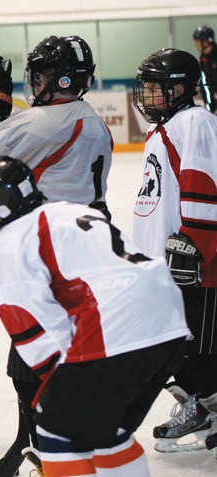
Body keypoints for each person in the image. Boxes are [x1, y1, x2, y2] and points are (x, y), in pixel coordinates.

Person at [0, 156, 190, 477]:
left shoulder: (9, 242)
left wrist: (58, 384)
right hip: (170, 323)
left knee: (57, 432)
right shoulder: (71, 209)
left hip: (116, 328)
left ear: (1, 205)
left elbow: (29, 325)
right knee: (107, 434)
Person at [0, 35, 113, 475]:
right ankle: (33, 454)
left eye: (41, 74)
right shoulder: (85, 118)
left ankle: (46, 458)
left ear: (58, 79)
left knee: (35, 359)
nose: (35, 82)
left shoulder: (47, 122)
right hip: (82, 250)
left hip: (53, 258)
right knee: (34, 360)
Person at [132, 48, 217, 455]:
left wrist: (194, 245)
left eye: (154, 88)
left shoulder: (196, 121)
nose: (146, 96)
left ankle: (210, 408)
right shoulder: (165, 127)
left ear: (179, 89)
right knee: (169, 347)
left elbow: (203, 182)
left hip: (194, 265)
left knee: (199, 349)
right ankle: (197, 406)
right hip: (163, 264)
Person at [193, 25, 217, 113]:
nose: (195, 44)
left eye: (197, 41)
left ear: (205, 42)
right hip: (211, 104)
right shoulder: (203, 58)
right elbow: (204, 80)